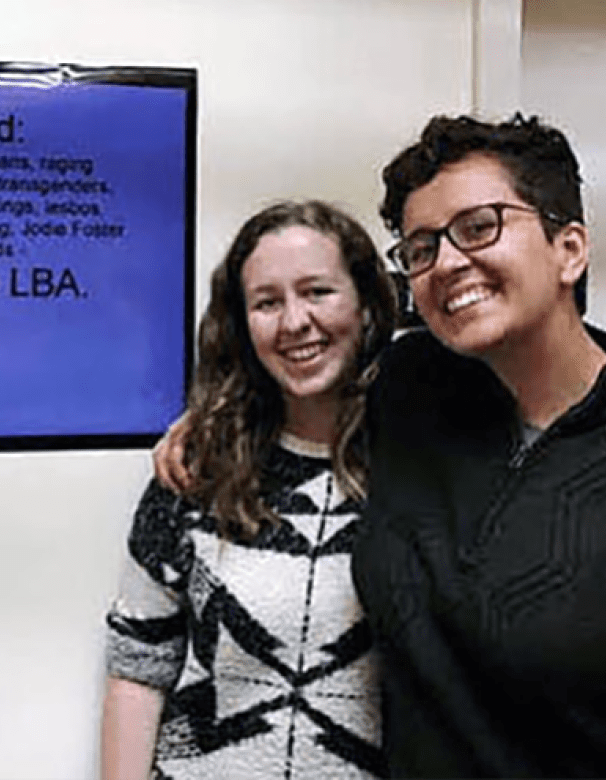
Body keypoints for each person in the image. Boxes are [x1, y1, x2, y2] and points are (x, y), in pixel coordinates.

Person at [349, 113, 606, 777]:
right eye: (421, 247)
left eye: (479, 227)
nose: (445, 263)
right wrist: (205, 424)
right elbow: (281, 386)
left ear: (570, 250)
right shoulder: (407, 388)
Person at [101, 200, 397, 779]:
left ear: (366, 306)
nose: (294, 322)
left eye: (318, 292)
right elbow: (138, 668)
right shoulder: (194, 470)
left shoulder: (427, 464)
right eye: (267, 302)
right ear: (242, 323)